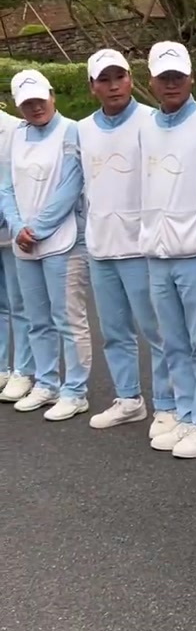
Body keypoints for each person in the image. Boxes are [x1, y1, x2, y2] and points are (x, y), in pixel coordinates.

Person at [77, 49, 176, 441]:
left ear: (132, 80)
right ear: (92, 87)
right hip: (100, 246)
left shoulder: (150, 121)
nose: (114, 86)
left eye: (119, 77)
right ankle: (129, 398)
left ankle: (167, 404)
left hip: (140, 246)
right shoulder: (82, 129)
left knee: (157, 331)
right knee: (114, 332)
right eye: (104, 79)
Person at [140, 41, 196, 459]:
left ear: (191, 78)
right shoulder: (146, 126)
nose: (171, 83)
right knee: (173, 341)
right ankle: (188, 413)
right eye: (164, 77)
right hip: (156, 252)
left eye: (178, 76)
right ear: (152, 81)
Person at [2, 69, 91, 420]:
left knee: (68, 319)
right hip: (24, 242)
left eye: (40, 100)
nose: (36, 107)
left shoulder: (71, 130)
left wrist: (37, 228)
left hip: (63, 240)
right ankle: (46, 382)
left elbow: (71, 185)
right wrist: (17, 226)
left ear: (52, 96)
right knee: (37, 320)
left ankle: (76, 390)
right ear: (18, 106)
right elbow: (6, 187)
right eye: (28, 103)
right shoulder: (16, 137)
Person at [0, 105, 34, 403]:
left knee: (19, 303)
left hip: (12, 232)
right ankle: (2, 367)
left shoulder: (14, 129)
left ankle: (23, 369)